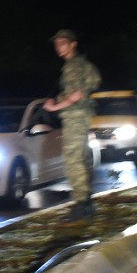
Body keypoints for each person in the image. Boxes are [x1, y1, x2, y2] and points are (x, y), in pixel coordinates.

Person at [42, 29, 102, 221]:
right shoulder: (79, 64)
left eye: (62, 43)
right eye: (56, 44)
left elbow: (77, 95)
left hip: (75, 117)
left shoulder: (73, 66)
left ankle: (80, 205)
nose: (58, 48)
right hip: (81, 117)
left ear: (73, 44)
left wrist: (54, 107)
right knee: (82, 159)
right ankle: (87, 204)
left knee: (73, 160)